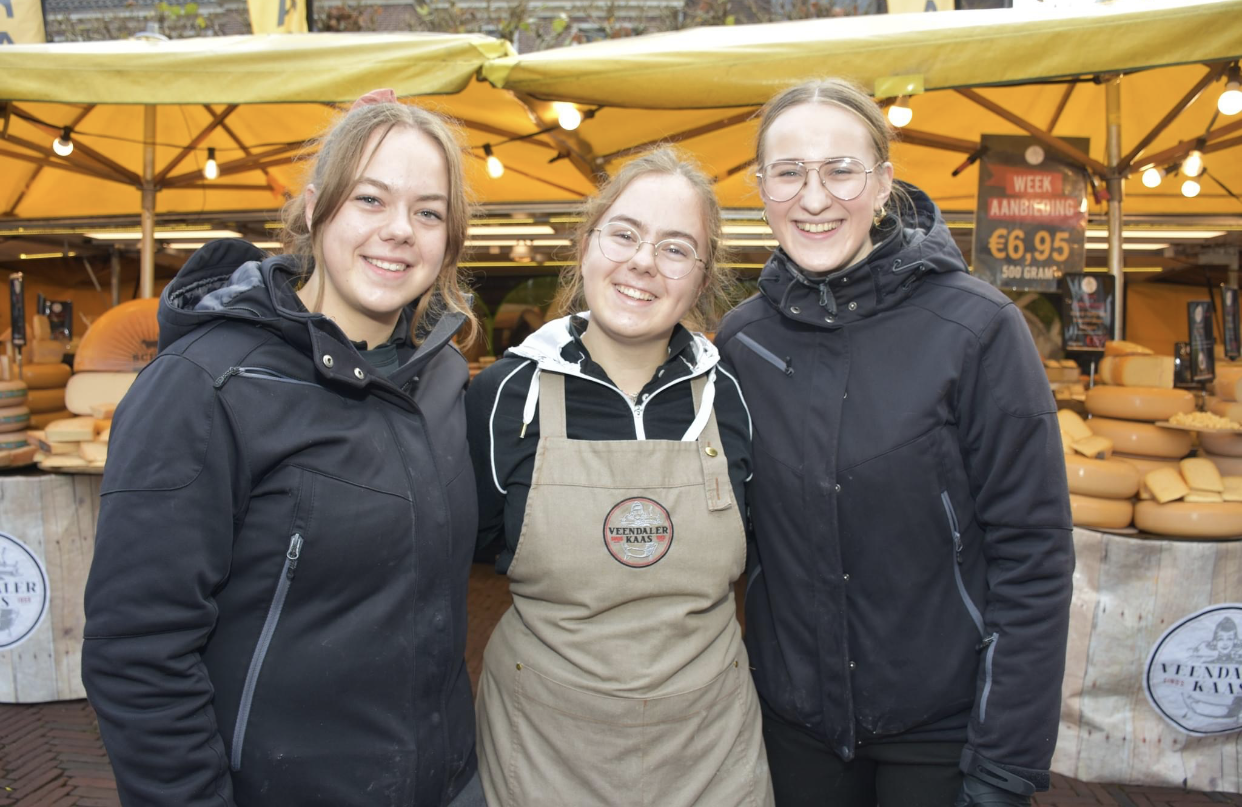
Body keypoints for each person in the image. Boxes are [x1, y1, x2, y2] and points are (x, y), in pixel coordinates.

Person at [81, 96, 485, 807]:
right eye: (369, 198)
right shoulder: (206, 383)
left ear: (449, 239)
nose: (399, 230)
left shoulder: (443, 377)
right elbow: (138, 655)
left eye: (428, 212)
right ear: (312, 209)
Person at [713, 78, 1074, 807]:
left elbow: (1033, 558)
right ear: (761, 190)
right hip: (794, 729)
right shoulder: (742, 341)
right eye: (789, 172)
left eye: (841, 169)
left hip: (941, 730)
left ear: (882, 184)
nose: (814, 197)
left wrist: (1005, 765)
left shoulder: (977, 329)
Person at [467, 147, 774, 807]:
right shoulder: (503, 396)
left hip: (711, 753)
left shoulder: (734, 397)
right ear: (586, 244)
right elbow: (476, 545)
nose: (642, 262)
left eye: (675, 248)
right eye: (625, 233)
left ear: (701, 275)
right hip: (543, 748)